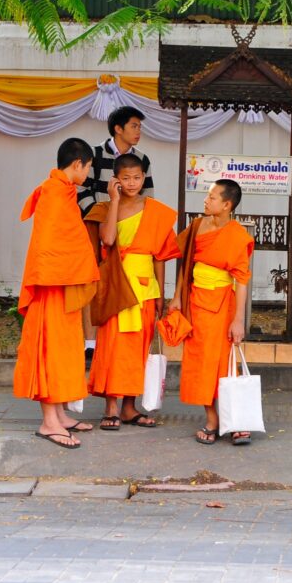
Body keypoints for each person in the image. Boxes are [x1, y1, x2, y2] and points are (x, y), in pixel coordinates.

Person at [13, 138, 100, 449]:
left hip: (61, 282)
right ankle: (49, 422)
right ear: (78, 164)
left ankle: (60, 414)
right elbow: (51, 243)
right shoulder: (54, 191)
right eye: (88, 168)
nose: (88, 175)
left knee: (66, 349)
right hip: (50, 285)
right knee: (51, 350)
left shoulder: (62, 190)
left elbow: (67, 239)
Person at [85, 154, 179, 430]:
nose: (132, 183)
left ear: (144, 177)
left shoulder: (157, 211)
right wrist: (114, 201)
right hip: (115, 286)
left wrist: (161, 293)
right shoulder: (104, 208)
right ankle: (110, 407)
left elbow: (160, 257)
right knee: (112, 348)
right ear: (114, 180)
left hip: (144, 289)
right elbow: (108, 239)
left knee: (138, 350)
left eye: (137, 177)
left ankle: (129, 407)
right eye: (125, 178)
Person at [168, 179, 254, 446]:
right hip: (196, 304)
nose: (206, 201)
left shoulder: (237, 235)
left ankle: (236, 420)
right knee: (200, 364)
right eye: (207, 196)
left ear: (227, 205)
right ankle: (212, 419)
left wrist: (238, 319)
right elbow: (186, 263)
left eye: (212, 197)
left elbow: (241, 280)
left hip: (222, 305)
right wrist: (176, 298)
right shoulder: (196, 227)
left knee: (225, 363)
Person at [78, 106, 154, 367]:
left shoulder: (143, 158)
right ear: (118, 129)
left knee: (121, 280)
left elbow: (149, 197)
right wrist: (99, 214)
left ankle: (110, 338)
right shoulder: (96, 154)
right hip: (96, 225)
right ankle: (90, 342)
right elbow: (82, 190)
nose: (138, 132)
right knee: (94, 279)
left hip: (130, 230)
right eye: (134, 126)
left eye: (140, 127)